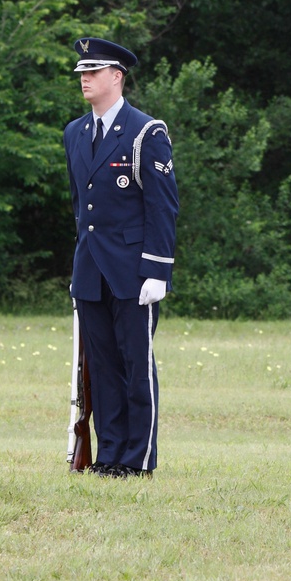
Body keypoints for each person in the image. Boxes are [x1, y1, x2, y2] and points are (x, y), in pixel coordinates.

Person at [64, 37, 179, 478]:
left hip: (133, 269)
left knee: (135, 365)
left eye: (93, 72)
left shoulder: (146, 131)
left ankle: (138, 457)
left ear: (117, 77)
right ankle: (110, 453)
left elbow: (162, 206)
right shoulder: (75, 132)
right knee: (104, 368)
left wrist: (157, 270)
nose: (85, 79)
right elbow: (80, 206)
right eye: (81, 73)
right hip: (91, 268)